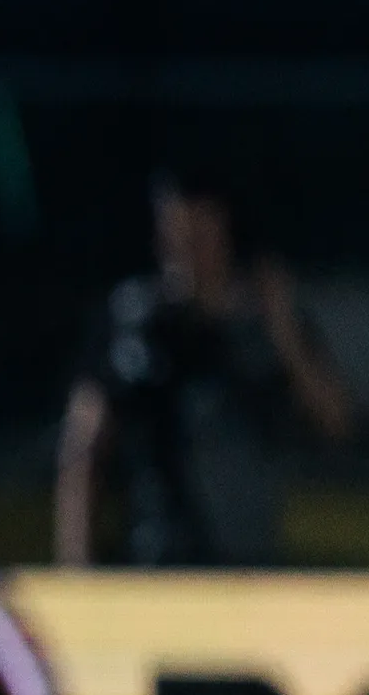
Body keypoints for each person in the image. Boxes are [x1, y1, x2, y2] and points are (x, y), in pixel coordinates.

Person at [55, 173, 350, 566]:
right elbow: (84, 449)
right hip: (159, 562)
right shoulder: (135, 324)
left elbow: (336, 422)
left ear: (226, 231)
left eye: (201, 235)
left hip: (252, 566)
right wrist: (75, 570)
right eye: (176, 237)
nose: (188, 252)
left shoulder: (265, 325)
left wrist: (283, 330)